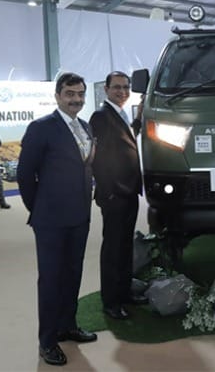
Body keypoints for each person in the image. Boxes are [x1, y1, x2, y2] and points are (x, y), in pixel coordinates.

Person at [17, 72, 98, 367]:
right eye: (69, 94)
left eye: (80, 94)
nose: (76, 99)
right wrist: (39, 209)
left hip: (80, 216)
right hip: (50, 219)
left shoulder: (85, 127)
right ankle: (48, 341)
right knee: (51, 279)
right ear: (57, 96)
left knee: (73, 273)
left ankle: (67, 326)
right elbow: (25, 175)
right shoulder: (41, 128)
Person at [89, 71, 146, 321]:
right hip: (114, 195)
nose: (122, 92)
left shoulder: (121, 114)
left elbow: (126, 138)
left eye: (125, 87)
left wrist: (140, 117)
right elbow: (98, 159)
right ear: (106, 89)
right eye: (117, 87)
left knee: (125, 246)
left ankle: (125, 293)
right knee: (113, 249)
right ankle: (111, 302)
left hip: (129, 192)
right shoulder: (100, 117)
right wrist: (109, 192)